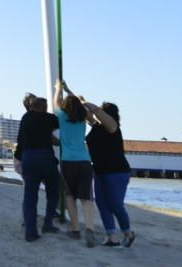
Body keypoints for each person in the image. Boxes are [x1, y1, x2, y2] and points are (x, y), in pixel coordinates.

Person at [84, 98, 135, 248]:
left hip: (117, 171)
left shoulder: (114, 127)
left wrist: (89, 104)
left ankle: (128, 232)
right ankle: (111, 236)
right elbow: (88, 115)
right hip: (100, 171)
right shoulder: (96, 127)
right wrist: (72, 94)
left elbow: (96, 112)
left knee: (114, 203)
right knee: (102, 203)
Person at [55, 79, 97, 247]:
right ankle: (90, 229)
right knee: (87, 199)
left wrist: (59, 89)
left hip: (68, 161)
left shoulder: (62, 116)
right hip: (85, 161)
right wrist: (68, 89)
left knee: (70, 196)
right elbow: (81, 107)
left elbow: (55, 102)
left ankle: (75, 230)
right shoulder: (83, 117)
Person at [16, 94, 60, 241]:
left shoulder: (25, 118)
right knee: (53, 190)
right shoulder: (50, 118)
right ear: (45, 108)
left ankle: (30, 231)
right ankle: (48, 222)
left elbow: (20, 140)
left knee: (30, 196)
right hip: (45, 157)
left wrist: (19, 158)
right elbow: (57, 127)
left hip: (28, 157)